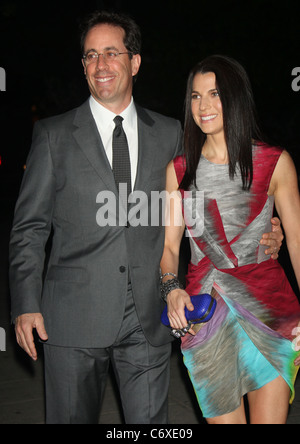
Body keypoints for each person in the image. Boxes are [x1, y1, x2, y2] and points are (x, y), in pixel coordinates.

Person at [9, 11, 283, 424]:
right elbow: (29, 229)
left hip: (149, 322)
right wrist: (25, 304)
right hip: (72, 321)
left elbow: (207, 205)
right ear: (83, 66)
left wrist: (266, 230)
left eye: (112, 53)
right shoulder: (53, 135)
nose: (101, 65)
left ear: (134, 62)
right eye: (90, 55)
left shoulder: (172, 133)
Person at [160, 55, 300, 425]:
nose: (203, 106)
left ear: (235, 98)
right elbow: (171, 249)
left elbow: (298, 244)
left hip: (271, 310)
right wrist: (171, 288)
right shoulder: (179, 172)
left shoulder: (275, 162)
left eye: (214, 94)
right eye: (195, 96)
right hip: (207, 315)